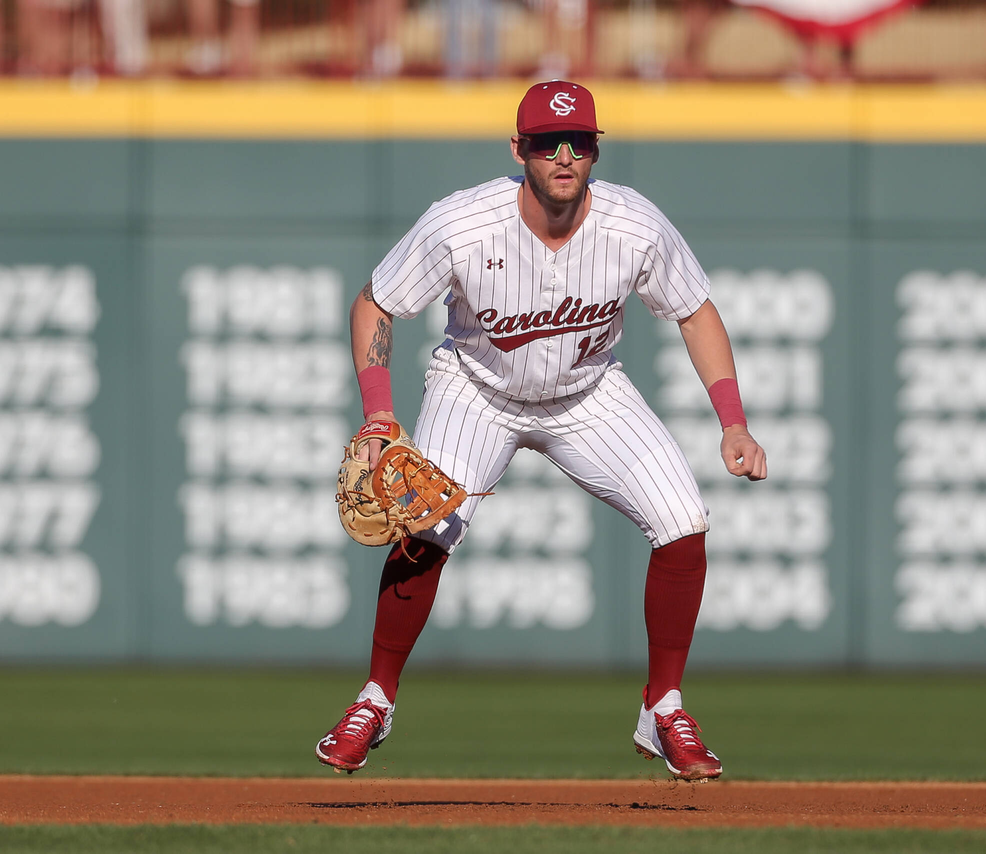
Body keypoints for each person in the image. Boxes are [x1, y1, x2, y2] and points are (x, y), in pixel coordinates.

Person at [315, 80, 767, 781]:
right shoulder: (462, 224)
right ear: (518, 149)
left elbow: (695, 310)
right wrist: (379, 410)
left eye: (580, 142)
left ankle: (664, 707)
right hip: (478, 389)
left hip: (586, 394)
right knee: (425, 520)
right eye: (548, 142)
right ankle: (375, 699)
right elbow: (376, 305)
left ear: (595, 151)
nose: (564, 154)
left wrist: (732, 422)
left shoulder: (633, 224)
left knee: (683, 520)